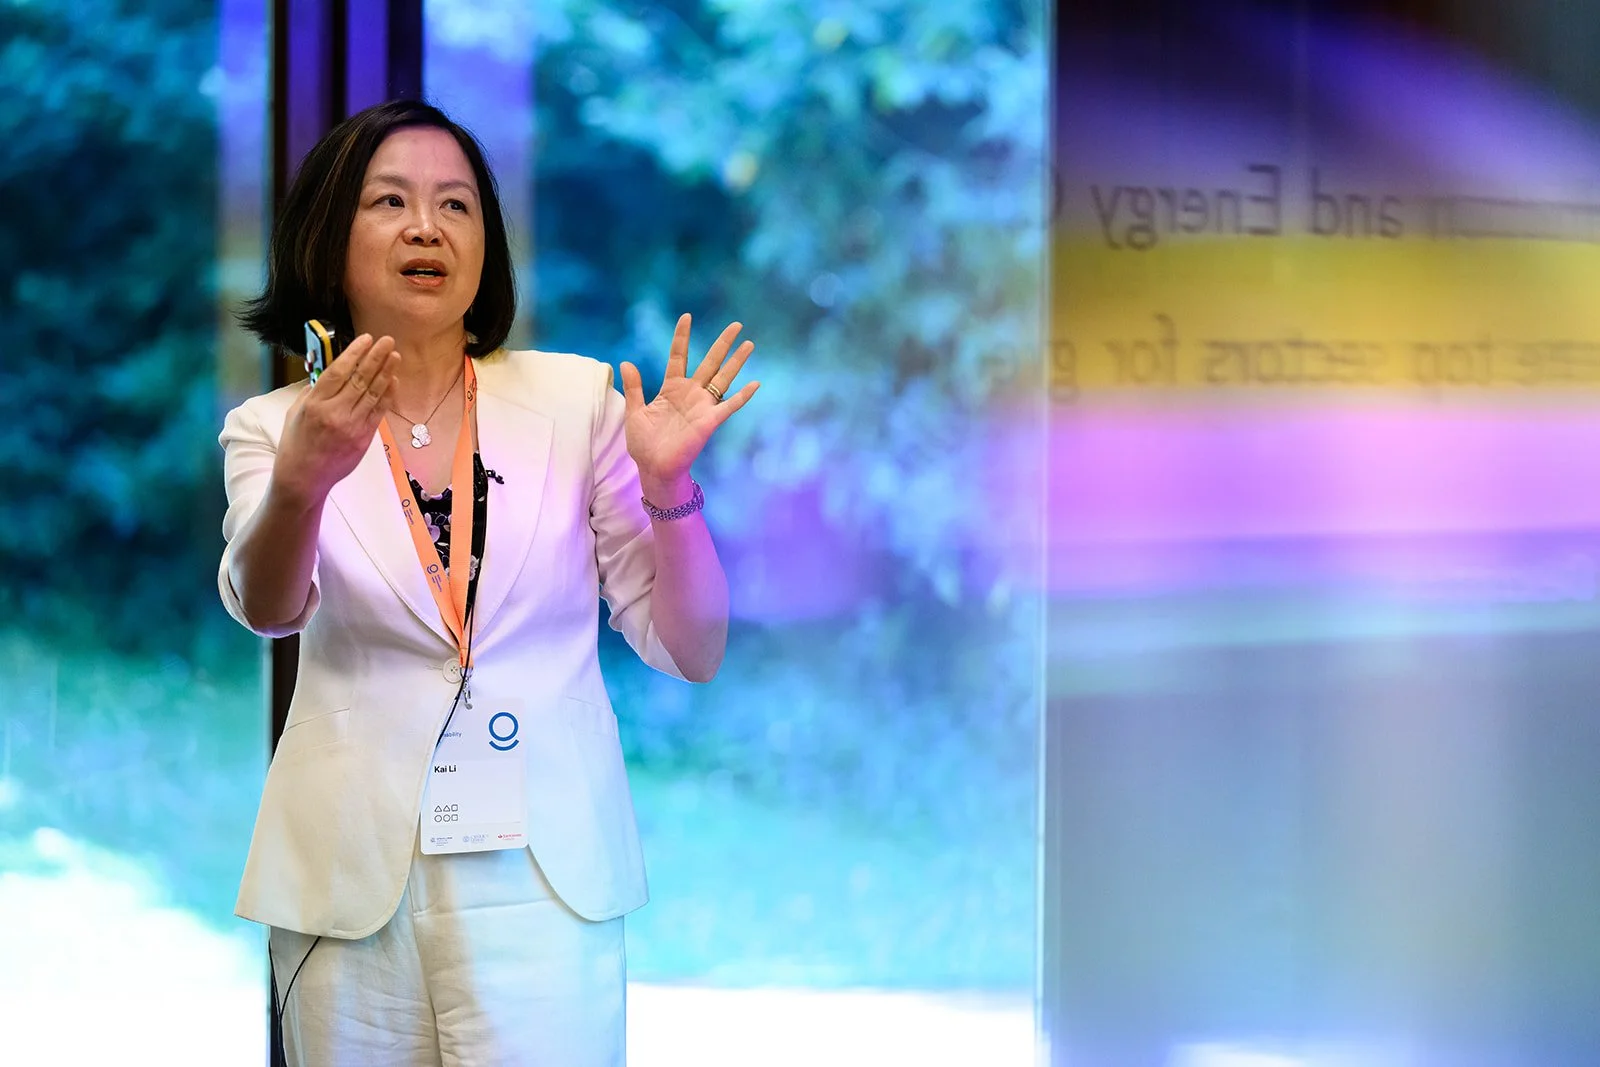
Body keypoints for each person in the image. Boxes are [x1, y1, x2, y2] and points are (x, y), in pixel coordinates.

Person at [218, 99, 758, 1065]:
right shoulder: (275, 426)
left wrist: (669, 486)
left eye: (457, 206)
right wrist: (304, 476)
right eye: (391, 201)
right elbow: (269, 606)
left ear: (484, 246)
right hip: (350, 883)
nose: (427, 226)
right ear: (330, 235)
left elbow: (693, 646)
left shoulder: (575, 400)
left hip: (543, 873)